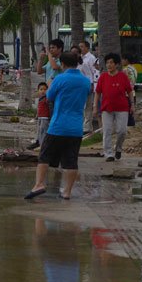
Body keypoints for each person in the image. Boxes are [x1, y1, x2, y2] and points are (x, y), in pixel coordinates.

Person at [24, 52, 92, 201]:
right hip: (76, 128)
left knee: (44, 156)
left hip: (58, 126)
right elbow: (87, 95)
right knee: (71, 160)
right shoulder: (86, 81)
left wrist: (50, 86)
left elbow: (49, 97)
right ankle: (67, 192)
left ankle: (39, 184)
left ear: (63, 64)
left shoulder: (60, 79)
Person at [93, 53, 133, 161]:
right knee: (107, 131)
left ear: (116, 64)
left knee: (122, 131)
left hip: (122, 108)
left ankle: (118, 148)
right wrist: (95, 107)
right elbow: (97, 93)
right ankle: (109, 154)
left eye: (111, 62)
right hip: (106, 108)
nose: (109, 65)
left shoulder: (123, 76)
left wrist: (132, 104)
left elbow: (129, 91)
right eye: (107, 63)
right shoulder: (103, 77)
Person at [79, 40, 98, 133]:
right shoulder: (80, 58)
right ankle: (82, 125)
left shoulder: (91, 58)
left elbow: (93, 72)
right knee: (83, 106)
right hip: (81, 84)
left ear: (87, 47)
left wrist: (92, 84)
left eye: (82, 46)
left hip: (89, 84)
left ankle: (87, 127)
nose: (80, 49)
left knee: (88, 106)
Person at [27, 82, 51, 150]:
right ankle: (38, 142)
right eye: (41, 89)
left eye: (45, 89)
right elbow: (39, 108)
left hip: (45, 118)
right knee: (39, 131)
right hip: (40, 118)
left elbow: (50, 108)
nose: (43, 91)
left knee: (43, 131)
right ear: (38, 90)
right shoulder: (40, 99)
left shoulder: (47, 99)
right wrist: (37, 115)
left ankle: (43, 145)